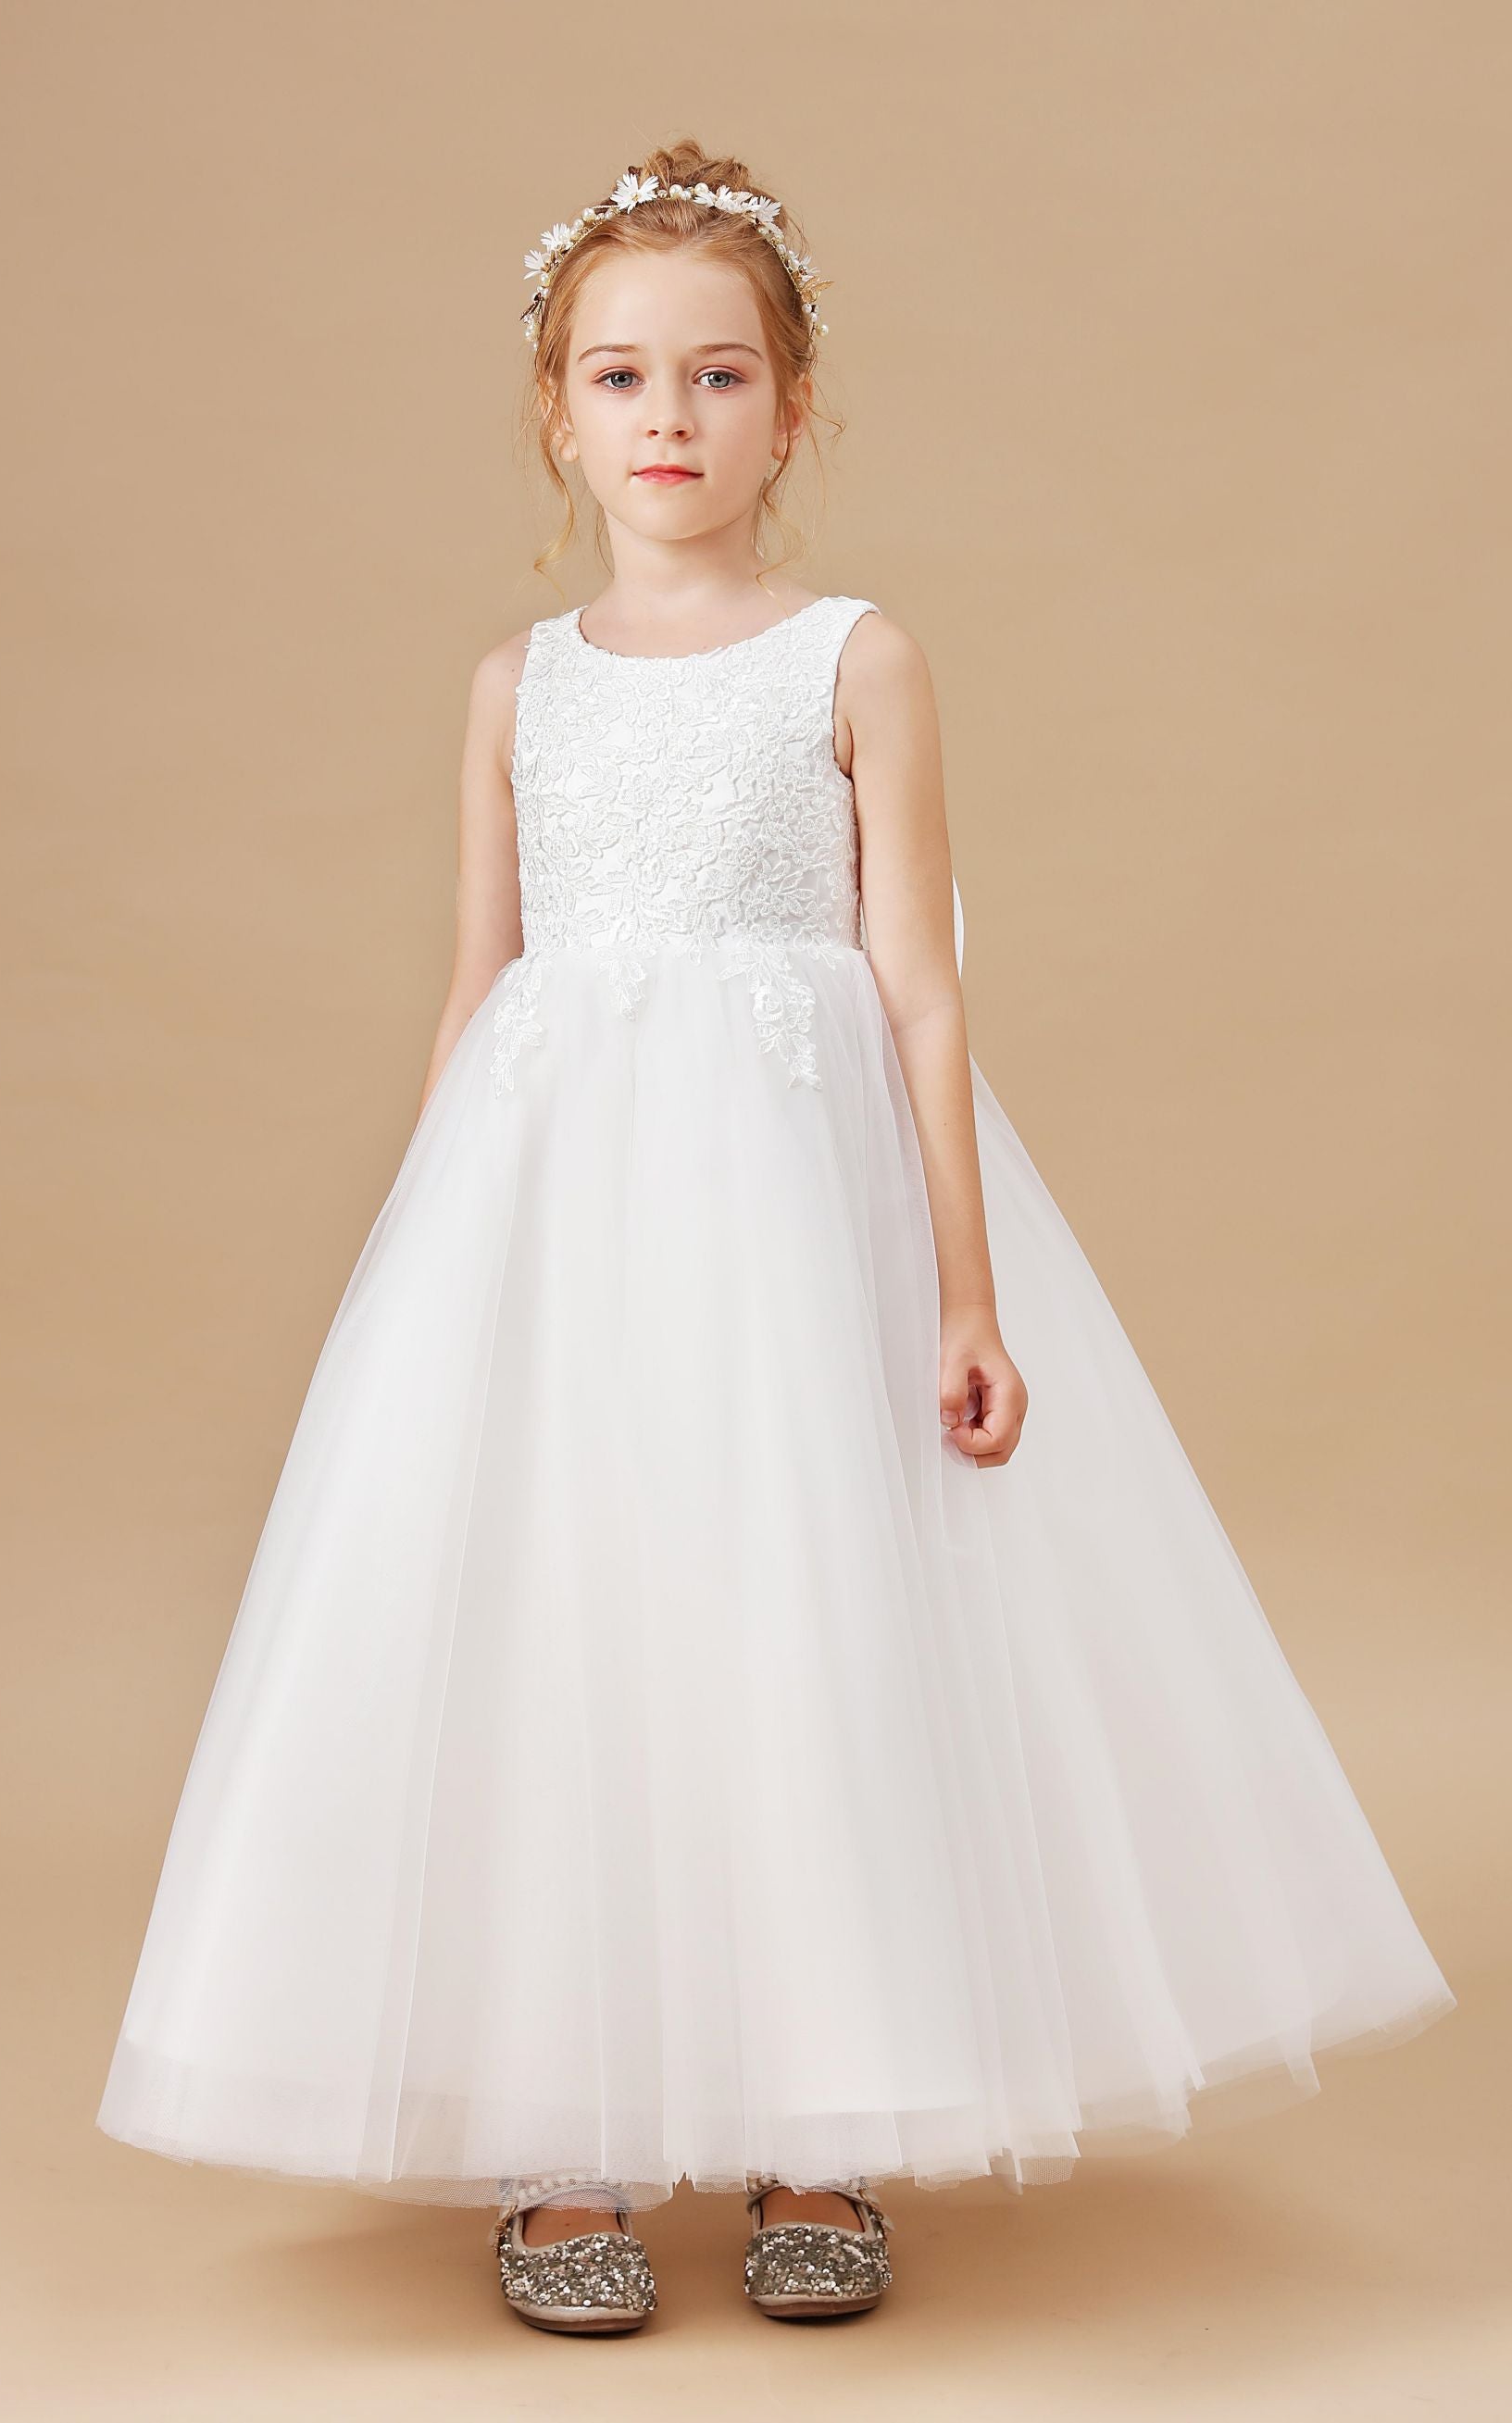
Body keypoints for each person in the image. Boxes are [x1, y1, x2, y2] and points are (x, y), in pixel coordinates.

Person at [96, 139, 1455, 2337]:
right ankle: (560, 2127)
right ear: (555, 411)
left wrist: (965, 1289)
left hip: (791, 1218)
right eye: (620, 374)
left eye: (716, 375)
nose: (669, 416)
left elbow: (918, 986)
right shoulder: (514, 683)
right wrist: (420, 1274)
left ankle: (817, 2119)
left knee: (794, 1618)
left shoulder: (854, 657)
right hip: (555, 1220)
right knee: (573, 1615)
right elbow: (483, 977)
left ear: (790, 410)